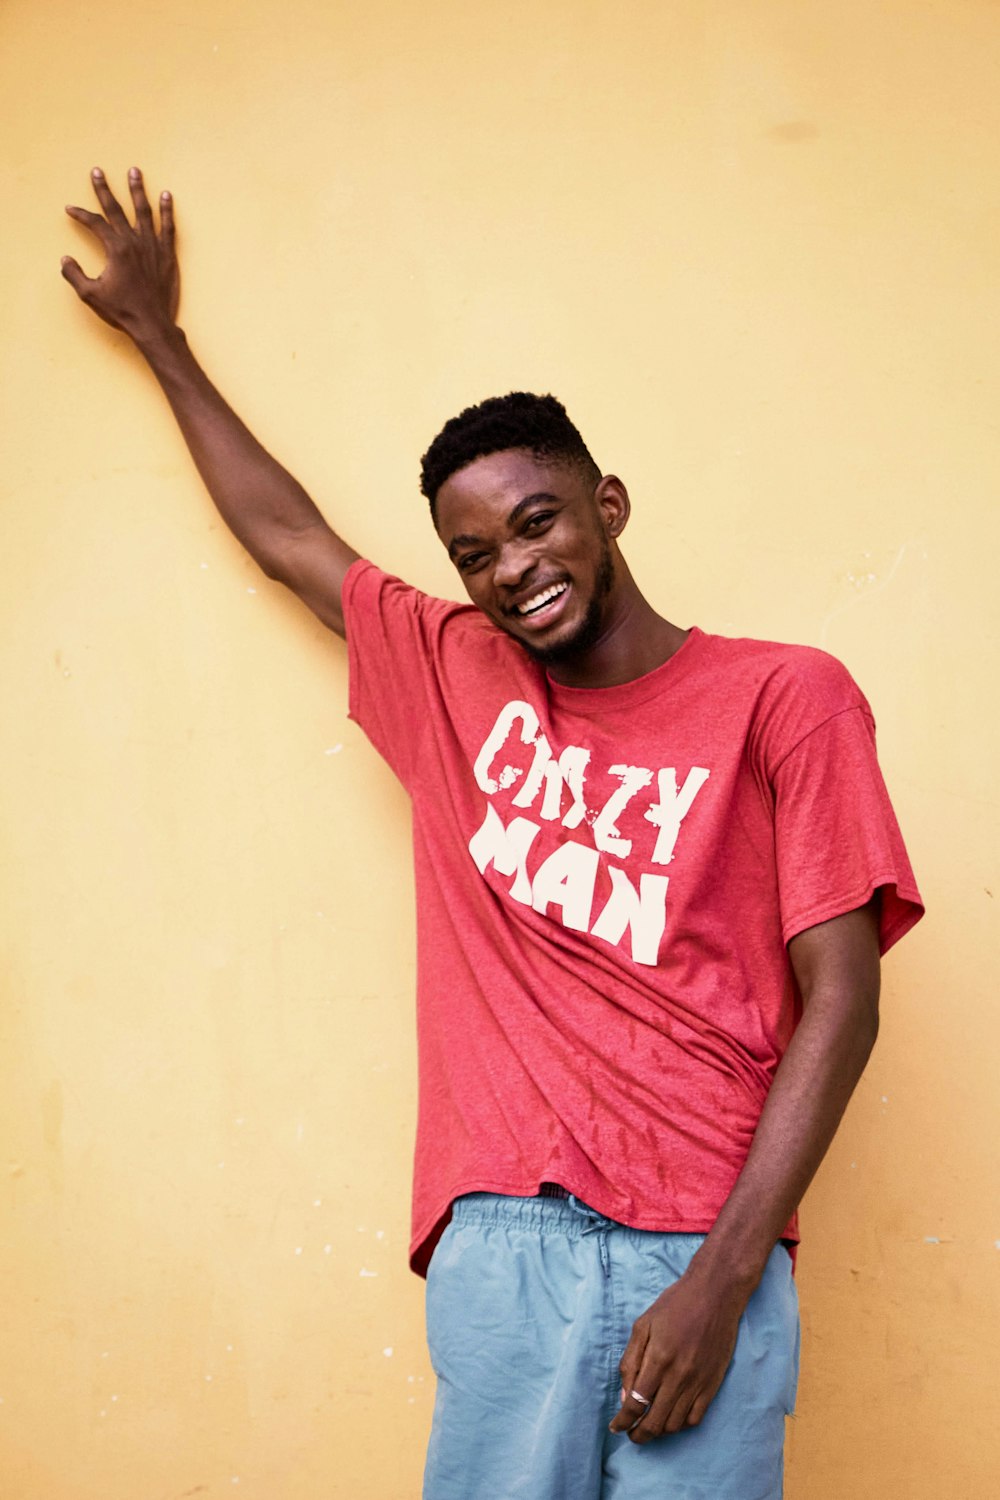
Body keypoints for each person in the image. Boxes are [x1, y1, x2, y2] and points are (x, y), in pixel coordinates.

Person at [62, 168, 923, 1500]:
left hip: (704, 1237)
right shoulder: (454, 672)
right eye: (477, 553)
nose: (515, 569)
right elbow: (291, 535)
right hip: (502, 1247)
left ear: (608, 505)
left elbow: (845, 1000)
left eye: (538, 522)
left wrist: (724, 1281)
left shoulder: (783, 696)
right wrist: (159, 339)